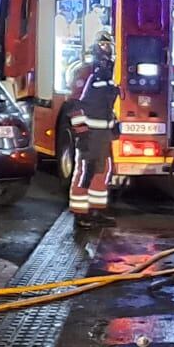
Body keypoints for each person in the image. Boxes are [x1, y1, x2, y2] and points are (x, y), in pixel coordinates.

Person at [67, 29, 118, 226]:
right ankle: (80, 213)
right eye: (103, 45)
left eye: (109, 45)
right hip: (90, 132)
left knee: (103, 170)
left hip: (103, 133)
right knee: (85, 171)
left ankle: (97, 210)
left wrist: (114, 125)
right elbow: (74, 104)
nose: (107, 49)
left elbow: (107, 104)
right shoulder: (86, 72)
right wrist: (81, 132)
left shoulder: (108, 73)